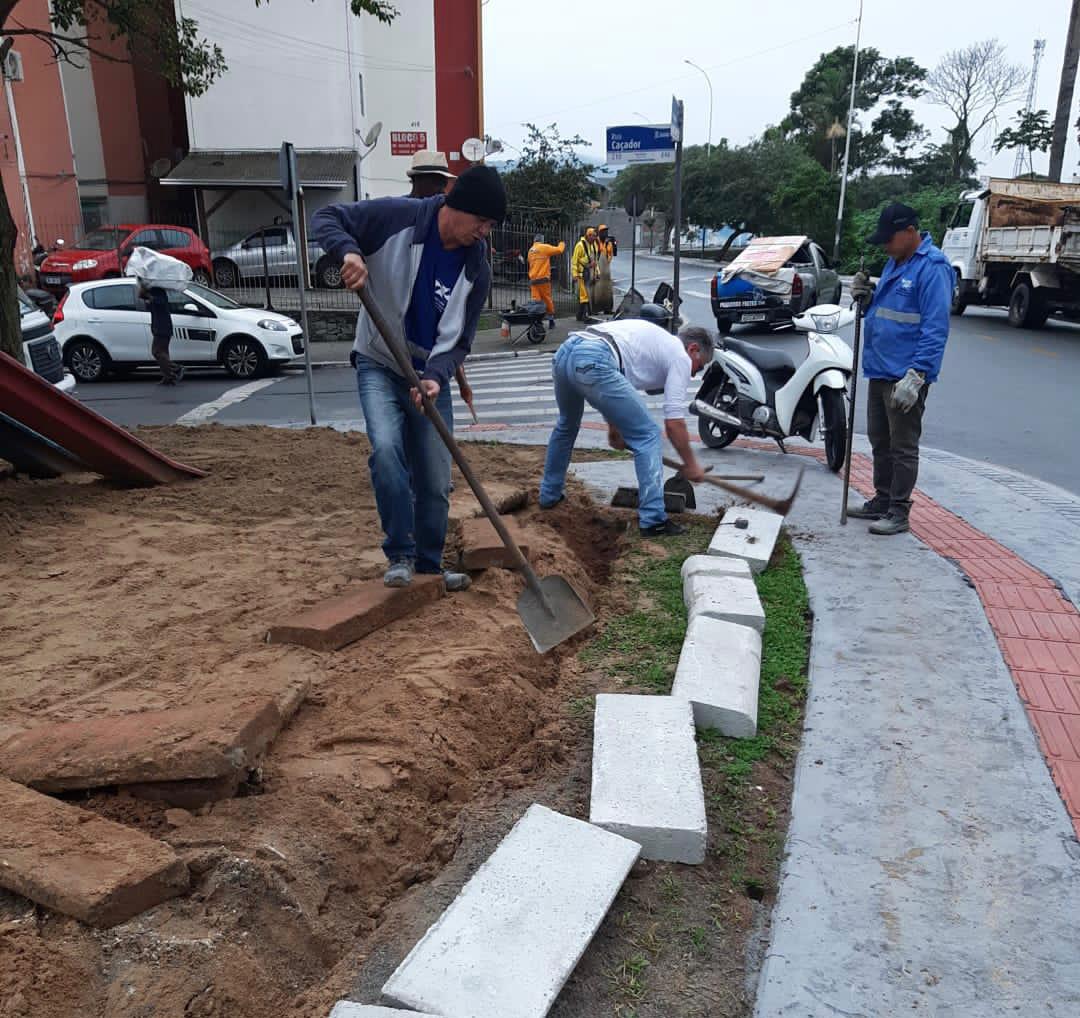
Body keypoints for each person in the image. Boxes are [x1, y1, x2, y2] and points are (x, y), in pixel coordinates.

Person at [312, 164, 505, 588]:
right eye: (482, 221)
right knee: (386, 451)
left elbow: (460, 342)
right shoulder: (398, 218)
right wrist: (348, 252)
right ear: (458, 207)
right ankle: (399, 553)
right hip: (379, 362)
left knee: (435, 477)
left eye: (491, 225)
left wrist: (437, 376)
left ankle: (429, 568)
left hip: (427, 374)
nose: (484, 232)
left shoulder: (477, 269)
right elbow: (326, 218)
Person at [539, 306, 711, 537]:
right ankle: (653, 520)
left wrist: (614, 427)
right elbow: (674, 424)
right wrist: (690, 464)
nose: (692, 375)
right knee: (648, 435)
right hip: (595, 357)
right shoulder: (679, 356)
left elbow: (616, 382)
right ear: (693, 349)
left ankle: (549, 495)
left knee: (567, 425)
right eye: (698, 367)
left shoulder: (652, 343)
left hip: (567, 352)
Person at [848, 203, 952, 536]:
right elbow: (887, 310)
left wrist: (918, 375)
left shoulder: (933, 268)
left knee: (902, 445)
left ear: (910, 232)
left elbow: (935, 328)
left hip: (905, 375)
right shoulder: (896, 262)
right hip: (879, 368)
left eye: (888, 239)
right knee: (880, 440)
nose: (884, 246)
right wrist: (866, 296)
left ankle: (899, 510)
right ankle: (882, 498)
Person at [138, 281, 182, 385]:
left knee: (156, 351)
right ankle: (168, 377)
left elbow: (159, 302)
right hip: (158, 326)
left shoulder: (158, 292)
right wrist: (145, 295)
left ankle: (176, 369)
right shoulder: (152, 292)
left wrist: (148, 295)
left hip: (162, 327)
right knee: (163, 352)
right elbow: (145, 301)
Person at [527, 233, 565, 330]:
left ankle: (538, 321)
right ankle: (551, 321)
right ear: (542, 240)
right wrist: (562, 243)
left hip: (533, 281)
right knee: (547, 300)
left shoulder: (530, 251)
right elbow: (559, 250)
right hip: (543, 280)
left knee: (537, 302)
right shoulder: (544, 247)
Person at [571, 227, 599, 321]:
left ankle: (579, 316)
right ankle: (585, 316)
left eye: (596, 236)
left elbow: (594, 261)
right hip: (581, 274)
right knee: (585, 296)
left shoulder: (593, 245)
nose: (595, 238)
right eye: (593, 236)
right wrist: (574, 274)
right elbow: (574, 260)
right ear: (588, 235)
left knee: (585, 295)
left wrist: (597, 272)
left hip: (589, 273)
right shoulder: (580, 245)